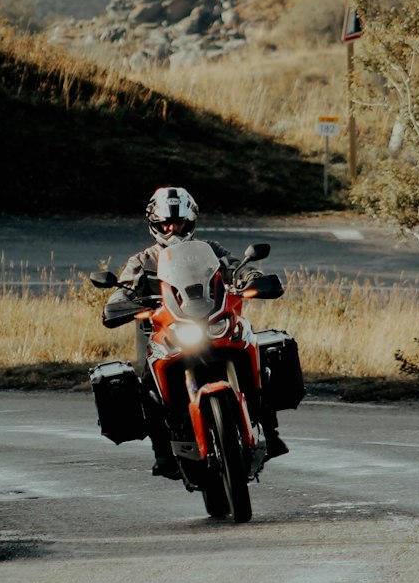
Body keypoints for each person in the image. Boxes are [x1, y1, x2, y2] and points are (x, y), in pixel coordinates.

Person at [104, 186, 288, 478]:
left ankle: (271, 431)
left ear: (191, 222)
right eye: (166, 223)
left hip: (212, 321)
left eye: (178, 222)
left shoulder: (210, 250)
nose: (172, 228)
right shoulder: (142, 261)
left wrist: (252, 278)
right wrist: (120, 302)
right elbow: (123, 289)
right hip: (166, 332)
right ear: (154, 224)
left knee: (260, 357)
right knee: (148, 390)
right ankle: (163, 452)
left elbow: (235, 269)